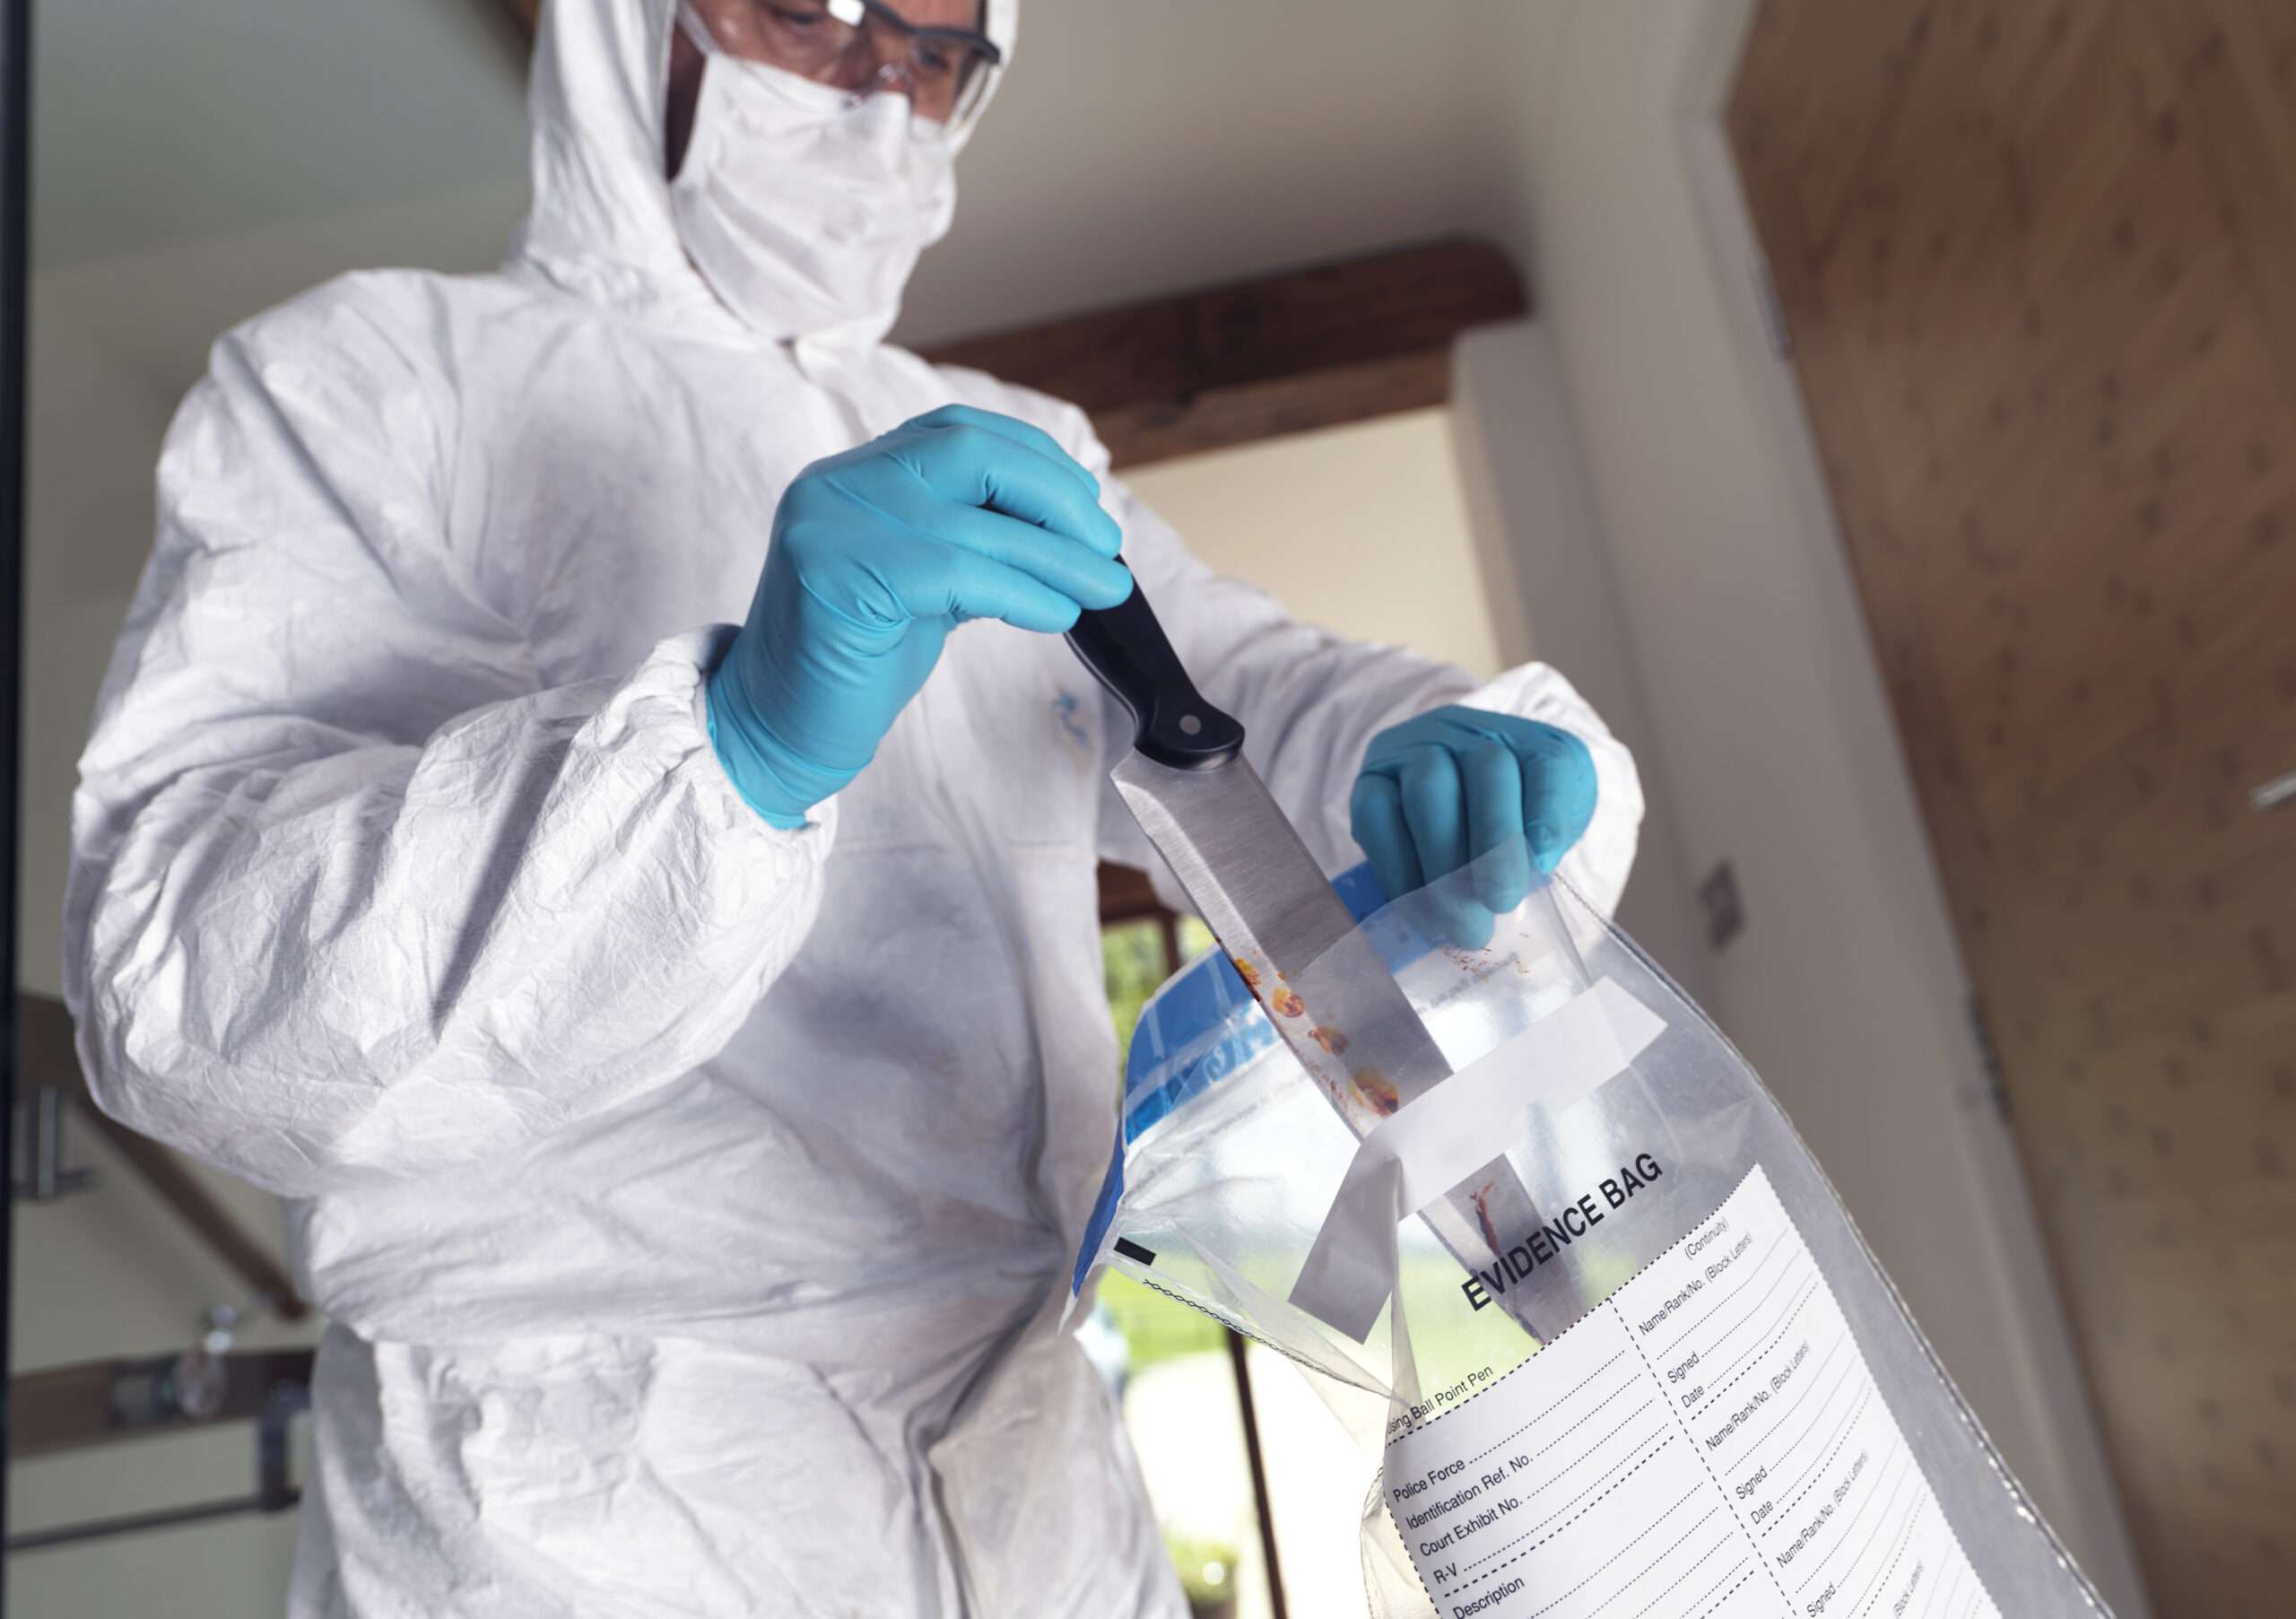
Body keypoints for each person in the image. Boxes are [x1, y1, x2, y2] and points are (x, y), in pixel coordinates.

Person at [62, 2, 1643, 1614]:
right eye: (816, 15)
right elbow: (172, 991)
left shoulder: (1013, 446)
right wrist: (721, 754)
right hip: (583, 1499)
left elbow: (1249, 701)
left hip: (1040, 1475)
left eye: (939, 54)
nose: (882, 93)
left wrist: (1450, 748)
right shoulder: (368, 381)